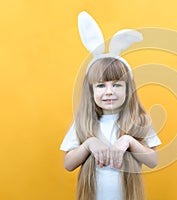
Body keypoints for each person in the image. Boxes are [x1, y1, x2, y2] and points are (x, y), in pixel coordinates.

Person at [60, 11, 161, 200]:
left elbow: (153, 161)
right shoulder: (83, 122)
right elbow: (68, 164)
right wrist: (89, 144)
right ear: (90, 90)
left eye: (116, 84)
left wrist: (129, 142)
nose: (109, 91)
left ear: (128, 88)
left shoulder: (138, 120)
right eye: (101, 85)